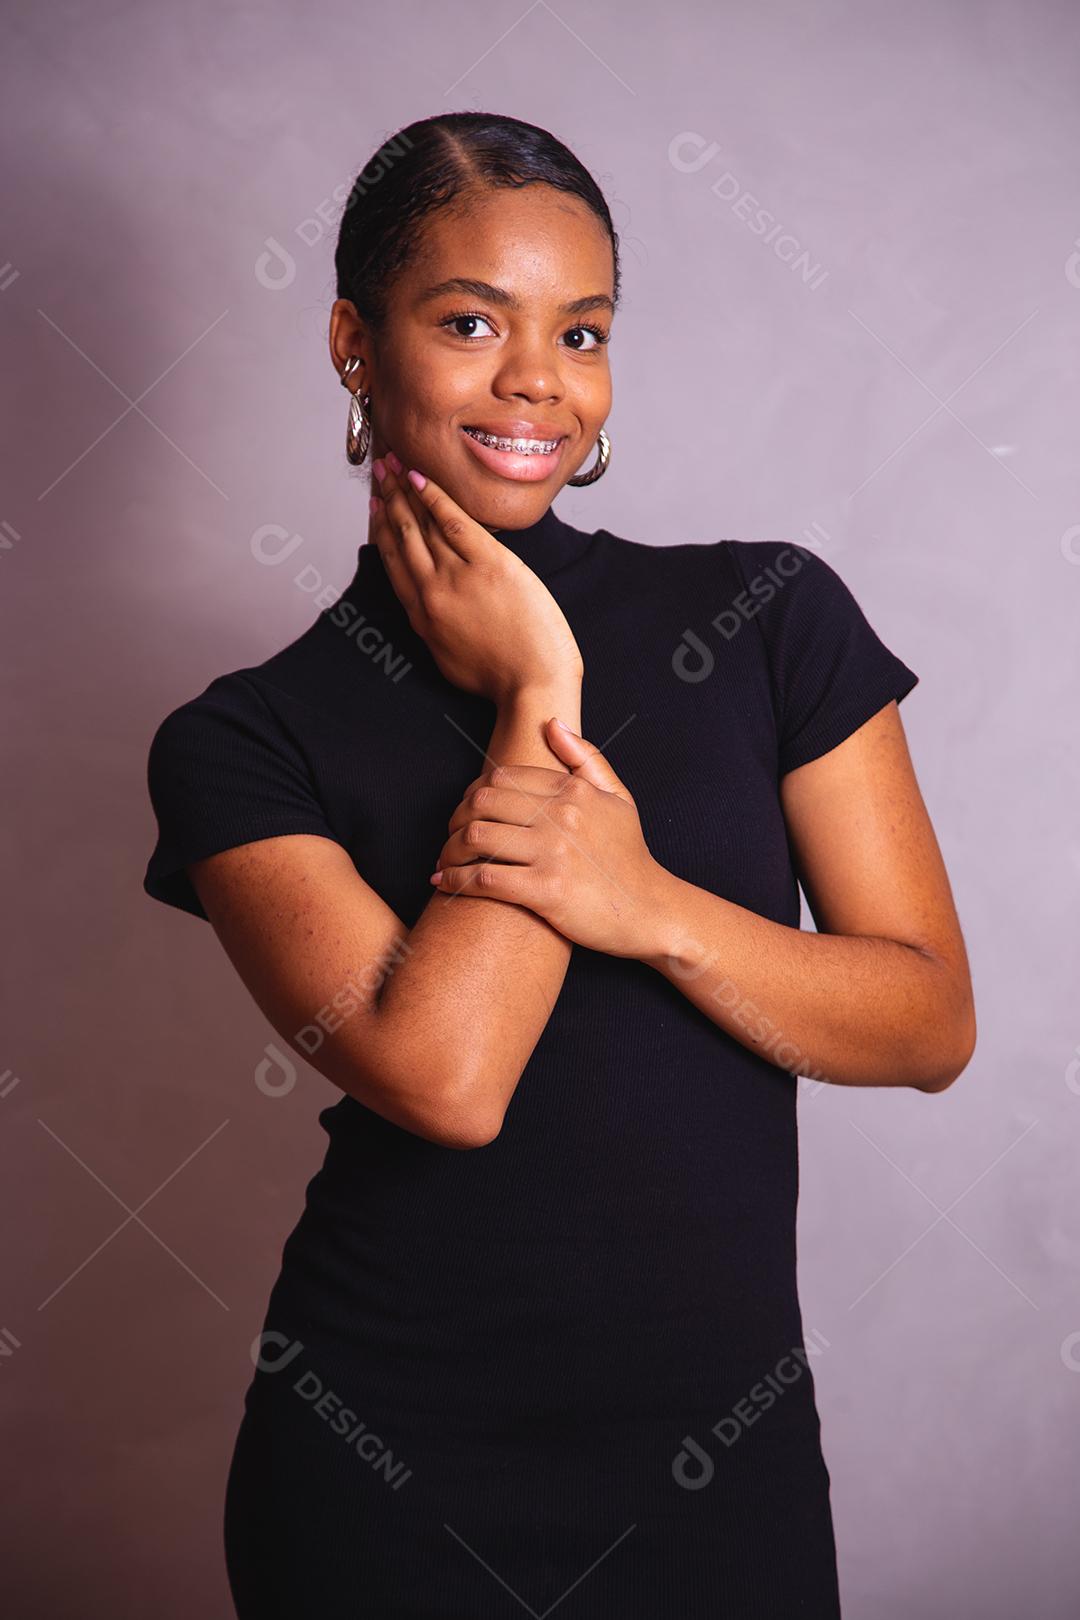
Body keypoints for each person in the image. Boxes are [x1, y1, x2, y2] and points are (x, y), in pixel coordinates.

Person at [142, 111, 976, 1619]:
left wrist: (648, 907)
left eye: (580, 332)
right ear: (351, 338)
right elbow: (447, 1081)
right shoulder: (242, 739)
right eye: (470, 321)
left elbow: (925, 1027)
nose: (538, 379)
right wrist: (541, 696)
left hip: (721, 1476)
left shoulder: (772, 621)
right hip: (382, 1477)